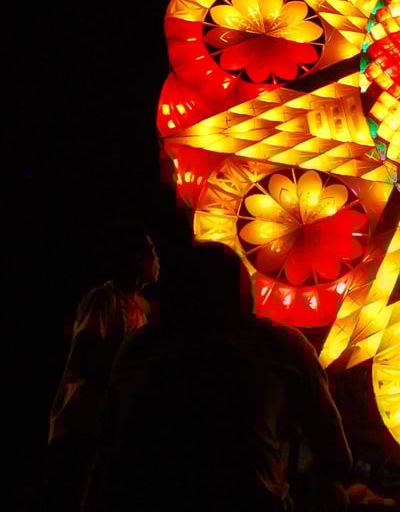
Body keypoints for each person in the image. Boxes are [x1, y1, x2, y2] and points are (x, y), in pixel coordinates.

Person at [83, 243, 352, 512]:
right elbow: (335, 453)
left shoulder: (139, 347)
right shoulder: (282, 345)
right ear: (244, 291)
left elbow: (106, 442)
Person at [45, 218, 160, 510]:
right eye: (151, 252)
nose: (157, 260)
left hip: (105, 428)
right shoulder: (103, 299)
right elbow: (85, 355)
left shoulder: (139, 309)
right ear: (134, 258)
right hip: (82, 424)